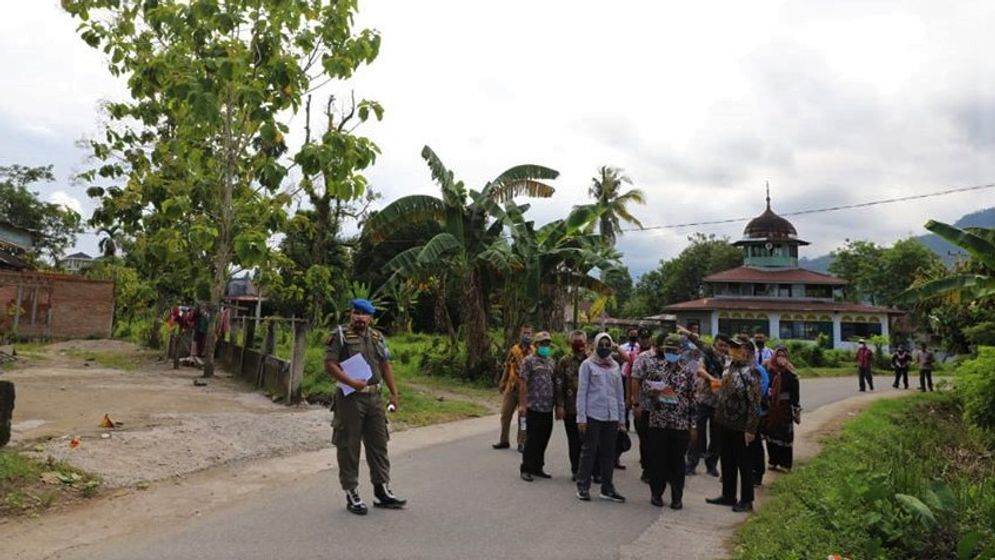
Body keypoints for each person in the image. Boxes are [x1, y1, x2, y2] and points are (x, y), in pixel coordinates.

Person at [324, 298, 405, 515]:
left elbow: (384, 365)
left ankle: (382, 490)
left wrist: (394, 394)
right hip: (350, 398)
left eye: (364, 314)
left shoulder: (377, 337)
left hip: (374, 398)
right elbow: (329, 365)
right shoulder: (340, 335)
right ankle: (352, 492)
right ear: (350, 314)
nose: (359, 317)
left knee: (379, 443)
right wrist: (351, 382)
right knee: (349, 445)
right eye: (356, 313)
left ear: (371, 317)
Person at [633, 333, 697, 509]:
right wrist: (652, 392)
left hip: (680, 423)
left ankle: (677, 498)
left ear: (680, 351)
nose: (670, 353)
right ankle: (656, 494)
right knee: (657, 460)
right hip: (658, 422)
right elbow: (645, 386)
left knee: (677, 462)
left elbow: (693, 399)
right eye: (667, 350)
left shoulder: (688, 372)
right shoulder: (656, 368)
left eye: (673, 350)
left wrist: (693, 425)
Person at [707, 334, 762, 513]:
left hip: (741, 425)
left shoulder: (750, 371)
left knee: (744, 463)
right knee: (727, 460)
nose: (733, 351)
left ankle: (747, 500)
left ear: (746, 351)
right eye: (732, 348)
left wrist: (751, 429)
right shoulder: (728, 365)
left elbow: (755, 402)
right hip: (724, 422)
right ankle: (728, 495)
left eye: (737, 348)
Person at [575, 333, 627, 503]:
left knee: (609, 453)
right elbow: (582, 392)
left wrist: (621, 420)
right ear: (596, 346)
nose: (604, 348)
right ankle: (583, 486)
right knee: (589, 451)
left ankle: (607, 488)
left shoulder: (614, 367)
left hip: (611, 416)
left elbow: (620, 394)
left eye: (607, 345)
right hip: (593, 414)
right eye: (601, 344)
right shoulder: (587, 365)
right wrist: (581, 418)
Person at [682, 328, 730, 477]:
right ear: (715, 344)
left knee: (717, 436)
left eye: (725, 346)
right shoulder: (706, 356)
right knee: (697, 435)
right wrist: (711, 379)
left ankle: (712, 465)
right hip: (703, 399)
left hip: (720, 402)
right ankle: (691, 464)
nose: (722, 348)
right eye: (720, 345)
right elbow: (699, 370)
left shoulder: (729, 360)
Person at [519, 330, 557, 481]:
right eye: (542, 344)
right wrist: (522, 405)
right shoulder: (528, 361)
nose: (545, 346)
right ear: (536, 345)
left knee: (544, 438)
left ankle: (538, 467)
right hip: (533, 406)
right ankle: (526, 468)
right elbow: (523, 383)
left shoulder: (551, 362)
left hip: (547, 407)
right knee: (532, 439)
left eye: (547, 344)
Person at [494, 325, 534, 451]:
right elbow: (507, 366)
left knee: (523, 418)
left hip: (526, 390)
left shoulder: (533, 352)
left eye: (528, 333)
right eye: (524, 333)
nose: (526, 336)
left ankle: (522, 442)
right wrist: (502, 382)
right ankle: (504, 440)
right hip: (511, 387)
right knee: (505, 415)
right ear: (520, 334)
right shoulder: (514, 350)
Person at [554, 330, 587, 480]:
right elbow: (559, 384)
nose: (578, 344)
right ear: (570, 343)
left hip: (588, 409)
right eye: (575, 341)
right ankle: (576, 470)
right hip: (571, 407)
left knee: (588, 441)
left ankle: (590, 469)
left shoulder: (591, 360)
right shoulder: (564, 361)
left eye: (581, 341)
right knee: (574, 441)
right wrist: (559, 406)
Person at [764, 346, 800, 472]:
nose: (781, 358)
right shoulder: (769, 371)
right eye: (778, 355)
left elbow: (795, 395)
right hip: (771, 408)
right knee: (771, 434)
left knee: (785, 436)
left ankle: (785, 464)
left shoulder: (791, 374)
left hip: (785, 409)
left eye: (783, 356)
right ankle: (773, 461)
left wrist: (796, 408)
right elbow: (764, 386)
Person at [630, 327, 654, 482]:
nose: (645, 340)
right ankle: (647, 468)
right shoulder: (639, 357)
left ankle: (657, 468)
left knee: (657, 440)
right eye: (642, 338)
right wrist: (634, 402)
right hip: (644, 405)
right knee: (645, 438)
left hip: (660, 408)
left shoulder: (665, 358)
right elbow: (632, 379)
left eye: (648, 338)